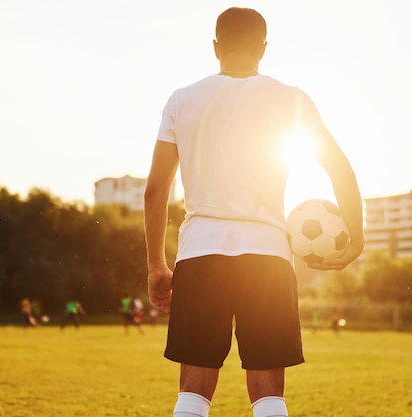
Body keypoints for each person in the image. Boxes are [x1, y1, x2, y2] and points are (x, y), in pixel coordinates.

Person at [144, 7, 364, 417]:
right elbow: (339, 166)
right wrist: (357, 236)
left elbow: (156, 190)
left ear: (215, 47)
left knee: (194, 388)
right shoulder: (293, 99)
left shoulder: (182, 100)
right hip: (268, 259)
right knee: (268, 392)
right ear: (263, 49)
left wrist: (157, 263)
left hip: (200, 254)